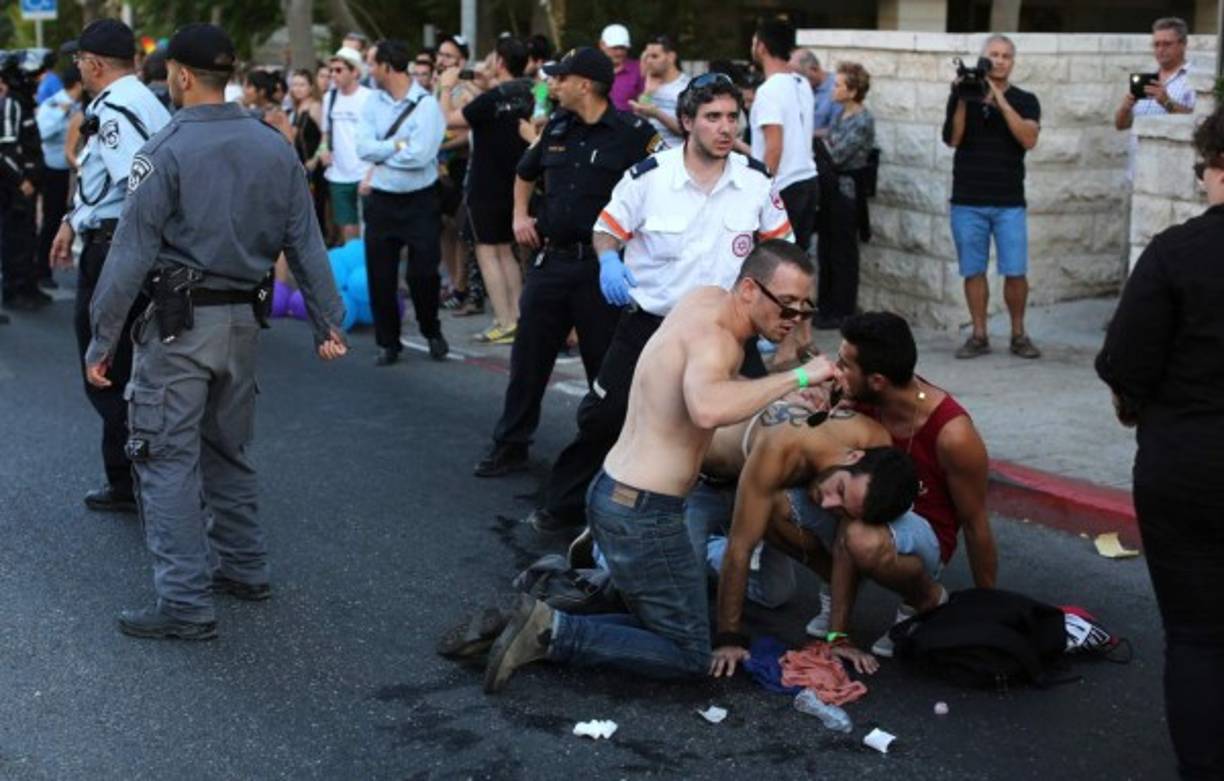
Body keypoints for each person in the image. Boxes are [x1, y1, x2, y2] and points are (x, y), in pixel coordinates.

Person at [83, 23, 347, 640]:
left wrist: (102, 339)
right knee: (227, 449)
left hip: (180, 328)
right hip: (242, 323)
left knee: (165, 458)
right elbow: (305, 240)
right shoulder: (273, 145)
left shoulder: (166, 150)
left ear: (179, 75)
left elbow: (130, 253)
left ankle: (184, 603)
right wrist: (327, 322)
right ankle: (245, 566)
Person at [478, 241, 838, 691]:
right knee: (689, 653)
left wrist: (785, 394)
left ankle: (545, 601)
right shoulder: (718, 343)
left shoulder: (704, 299)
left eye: (805, 308)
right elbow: (707, 407)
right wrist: (799, 376)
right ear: (749, 289)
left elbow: (713, 384)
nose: (794, 319)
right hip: (644, 513)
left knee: (653, 613)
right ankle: (553, 630)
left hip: (612, 490)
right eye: (786, 305)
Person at [522, 73, 793, 534]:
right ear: (686, 121)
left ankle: (740, 530)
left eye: (733, 117)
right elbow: (606, 229)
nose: (726, 128)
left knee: (751, 429)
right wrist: (609, 260)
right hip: (652, 328)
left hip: (727, 332)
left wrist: (785, 322)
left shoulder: (755, 181)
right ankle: (565, 506)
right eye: (712, 117)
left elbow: (782, 252)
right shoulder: (649, 177)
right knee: (606, 416)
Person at [1096, 105, 1224, 780]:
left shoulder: (1176, 252)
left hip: (1187, 464)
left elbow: (1124, 362)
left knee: (1198, 636)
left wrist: (1140, 405)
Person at [473, 46, 660, 478]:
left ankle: (610, 457)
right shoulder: (558, 125)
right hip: (552, 261)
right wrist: (520, 215)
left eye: (561, 78)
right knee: (528, 360)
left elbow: (659, 192)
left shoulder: (634, 134)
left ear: (585, 85)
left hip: (601, 269)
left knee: (605, 369)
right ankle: (511, 444)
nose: (552, 84)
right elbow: (525, 171)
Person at [804, 312, 997, 657]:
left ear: (878, 380)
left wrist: (992, 614)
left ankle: (924, 600)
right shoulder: (861, 397)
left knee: (860, 536)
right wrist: (822, 412)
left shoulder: (954, 434)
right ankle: (838, 599)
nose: (836, 370)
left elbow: (976, 523)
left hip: (923, 535)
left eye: (845, 365)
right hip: (863, 509)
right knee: (782, 503)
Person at [48, 19, 171, 514]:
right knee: (120, 364)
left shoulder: (117, 109)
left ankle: (138, 477)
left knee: (105, 367)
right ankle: (133, 477)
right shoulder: (136, 99)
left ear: (95, 63)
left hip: (118, 249)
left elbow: (137, 186)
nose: (78, 67)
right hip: (117, 242)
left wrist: (121, 251)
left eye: (80, 59)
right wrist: (71, 219)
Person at [708, 427, 924, 676]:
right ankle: (705, 544)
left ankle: (717, 546)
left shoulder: (874, 446)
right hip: (701, 481)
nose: (827, 503)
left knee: (774, 594)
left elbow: (843, 551)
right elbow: (739, 548)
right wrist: (728, 638)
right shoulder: (781, 447)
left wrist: (837, 638)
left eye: (843, 509)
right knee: (686, 614)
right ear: (854, 456)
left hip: (756, 490)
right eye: (840, 489)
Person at [942, 34, 1041, 360]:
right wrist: (961, 98)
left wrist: (998, 98)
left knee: (1015, 270)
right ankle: (979, 334)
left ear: (1013, 62)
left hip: (1009, 201)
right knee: (973, 270)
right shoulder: (963, 95)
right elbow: (954, 139)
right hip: (967, 200)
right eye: (993, 55)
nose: (999, 61)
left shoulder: (1026, 99)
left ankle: (1018, 334)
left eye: (1005, 56)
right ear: (983, 59)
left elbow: (1028, 139)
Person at [355, 39, 448, 366]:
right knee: (380, 276)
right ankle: (388, 342)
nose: (369, 70)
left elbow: (421, 155)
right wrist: (398, 145)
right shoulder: (372, 102)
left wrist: (384, 151)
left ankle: (430, 328)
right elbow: (362, 147)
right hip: (381, 200)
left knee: (424, 274)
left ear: (387, 66)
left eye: (372, 63)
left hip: (420, 201)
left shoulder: (426, 105)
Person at [438, 36, 534, 346]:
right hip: (515, 183)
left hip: (485, 184)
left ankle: (503, 321)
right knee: (506, 251)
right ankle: (517, 319)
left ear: (500, 62)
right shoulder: (527, 92)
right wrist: (480, 85)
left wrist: (446, 88)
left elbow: (447, 121)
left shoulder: (491, 99)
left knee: (488, 252)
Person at [749, 18, 819, 253]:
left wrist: (761, 194)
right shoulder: (802, 83)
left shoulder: (768, 91)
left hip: (784, 186)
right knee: (798, 261)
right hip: (808, 180)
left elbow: (774, 148)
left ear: (761, 47)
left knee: (774, 262)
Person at [815, 61, 874, 329]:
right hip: (830, 189)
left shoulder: (862, 119)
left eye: (838, 85)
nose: (833, 89)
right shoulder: (841, 115)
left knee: (843, 253)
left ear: (852, 91)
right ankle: (826, 307)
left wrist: (822, 145)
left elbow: (837, 155)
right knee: (826, 249)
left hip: (847, 192)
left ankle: (842, 310)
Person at [0, 51, 48, 314]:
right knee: (15, 238)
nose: (38, 80)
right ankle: (14, 290)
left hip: (29, 184)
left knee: (28, 235)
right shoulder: (11, 104)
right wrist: (21, 181)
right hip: (16, 187)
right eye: (34, 76)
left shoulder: (23, 102)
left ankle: (28, 286)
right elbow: (5, 151)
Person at [36, 65, 83, 290]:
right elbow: (43, 133)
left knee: (70, 217)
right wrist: (63, 113)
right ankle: (42, 270)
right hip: (54, 169)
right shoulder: (54, 104)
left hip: (74, 170)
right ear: (79, 84)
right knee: (52, 219)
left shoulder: (82, 105)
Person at [319, 46, 371, 243]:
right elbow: (325, 133)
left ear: (355, 72)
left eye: (339, 70)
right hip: (339, 173)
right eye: (331, 70)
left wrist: (372, 173)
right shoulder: (329, 97)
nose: (333, 75)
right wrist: (323, 150)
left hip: (365, 172)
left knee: (369, 228)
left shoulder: (369, 97)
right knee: (347, 229)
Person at [1114, 17, 1196, 132]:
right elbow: (1121, 126)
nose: (1160, 49)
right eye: (1156, 45)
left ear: (1183, 44)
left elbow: (1198, 123)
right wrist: (1125, 108)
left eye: (1167, 44)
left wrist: (1167, 102)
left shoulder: (1196, 79)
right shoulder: (1147, 78)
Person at [629, 35, 690, 150]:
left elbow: (689, 129)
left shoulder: (686, 87)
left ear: (671, 57)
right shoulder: (647, 84)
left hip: (677, 155)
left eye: (654, 56)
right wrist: (647, 93)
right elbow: (638, 123)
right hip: (652, 155)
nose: (649, 61)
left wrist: (657, 114)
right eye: (647, 56)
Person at [789, 48, 840, 134]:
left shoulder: (837, 87)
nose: (796, 80)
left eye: (800, 75)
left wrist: (807, 133)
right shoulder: (798, 87)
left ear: (814, 69)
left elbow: (838, 129)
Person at [601, 24, 644, 112]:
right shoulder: (592, 68)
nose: (619, 52)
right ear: (602, 45)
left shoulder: (639, 69)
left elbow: (647, 101)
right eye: (615, 48)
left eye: (623, 48)